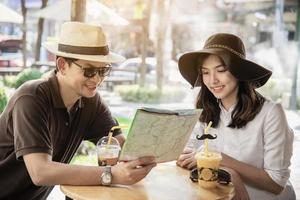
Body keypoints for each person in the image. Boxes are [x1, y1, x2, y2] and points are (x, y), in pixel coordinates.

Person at [0, 22, 156, 199]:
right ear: (62, 65)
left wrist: (156, 149)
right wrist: (110, 174)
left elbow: (121, 145)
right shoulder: (31, 98)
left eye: (103, 70)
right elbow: (40, 172)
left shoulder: (90, 100)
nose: (97, 79)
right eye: (89, 71)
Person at [177, 33, 295, 200]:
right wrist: (185, 156)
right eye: (205, 72)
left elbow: (276, 183)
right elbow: (190, 150)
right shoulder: (206, 110)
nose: (212, 80)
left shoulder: (271, 113)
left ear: (238, 71)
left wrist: (223, 161)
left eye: (221, 70)